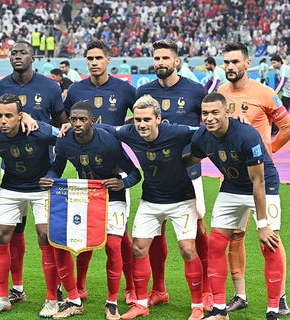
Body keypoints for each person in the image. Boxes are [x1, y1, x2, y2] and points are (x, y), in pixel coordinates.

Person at [89, 95, 202, 320]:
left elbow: (205, 130)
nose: (142, 124)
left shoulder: (177, 132)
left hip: (181, 199)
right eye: (138, 119)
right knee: (138, 248)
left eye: (147, 119)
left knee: (188, 249)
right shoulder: (129, 132)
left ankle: (197, 305)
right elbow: (104, 127)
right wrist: (66, 127)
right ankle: (140, 304)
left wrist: (234, 121)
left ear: (158, 118)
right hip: (151, 200)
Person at [186, 92, 284, 320]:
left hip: (264, 186)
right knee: (215, 245)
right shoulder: (202, 137)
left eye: (215, 113)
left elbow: (257, 181)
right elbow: (189, 158)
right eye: (205, 114)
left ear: (227, 112)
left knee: (269, 244)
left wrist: (262, 225)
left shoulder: (246, 135)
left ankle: (272, 311)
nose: (209, 118)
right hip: (231, 186)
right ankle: (220, 311)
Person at [39, 101, 142, 320]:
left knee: (114, 245)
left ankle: (112, 302)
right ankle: (74, 299)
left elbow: (135, 173)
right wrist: (50, 178)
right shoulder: (65, 143)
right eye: (73, 119)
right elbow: (55, 169)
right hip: (84, 197)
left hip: (113, 196)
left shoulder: (109, 142)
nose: (77, 123)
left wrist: (123, 184)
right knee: (71, 243)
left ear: (92, 121)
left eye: (82, 119)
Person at [217, 42, 290, 316]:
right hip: (232, 178)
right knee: (234, 236)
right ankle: (240, 295)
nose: (229, 67)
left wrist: (267, 151)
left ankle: (280, 297)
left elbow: (288, 128)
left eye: (235, 62)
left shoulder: (265, 93)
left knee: (270, 238)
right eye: (226, 62)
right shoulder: (219, 95)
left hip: (261, 177)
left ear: (247, 64)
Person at [134, 40, 210, 314]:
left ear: (177, 61)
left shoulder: (195, 90)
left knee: (199, 230)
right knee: (155, 234)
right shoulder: (144, 92)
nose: (160, 62)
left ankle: (207, 291)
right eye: (156, 58)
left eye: (166, 57)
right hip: (156, 174)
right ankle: (159, 290)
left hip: (188, 173)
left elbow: (207, 128)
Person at [63, 39, 138, 306]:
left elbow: (140, 116)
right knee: (84, 237)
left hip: (113, 173)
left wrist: (126, 130)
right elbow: (65, 120)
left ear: (109, 59)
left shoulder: (125, 89)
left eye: (98, 58)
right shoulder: (75, 90)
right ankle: (80, 287)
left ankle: (130, 289)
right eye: (89, 58)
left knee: (120, 238)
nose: (94, 62)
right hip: (85, 179)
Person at [0, 40, 67, 305]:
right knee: (13, 231)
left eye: (23, 52)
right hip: (10, 171)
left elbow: (62, 125)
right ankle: (16, 288)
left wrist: (56, 168)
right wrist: (19, 116)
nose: (17, 56)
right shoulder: (0, 86)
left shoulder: (49, 86)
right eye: (13, 52)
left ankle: (54, 290)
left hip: (42, 173)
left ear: (32, 56)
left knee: (45, 234)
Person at [0, 93, 61, 317]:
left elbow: (66, 136)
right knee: (0, 236)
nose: (3, 121)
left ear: (20, 116)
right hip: (11, 187)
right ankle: (3, 297)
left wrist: (57, 172)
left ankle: (52, 299)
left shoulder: (40, 131)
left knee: (45, 236)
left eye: (8, 116)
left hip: (42, 188)